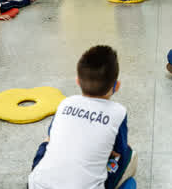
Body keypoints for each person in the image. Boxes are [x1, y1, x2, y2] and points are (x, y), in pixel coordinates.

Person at [29, 45, 138, 189]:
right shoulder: (118, 112)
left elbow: (52, 136)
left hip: (37, 185)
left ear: (77, 81)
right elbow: (119, 152)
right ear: (116, 86)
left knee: (48, 141)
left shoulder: (66, 103)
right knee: (128, 153)